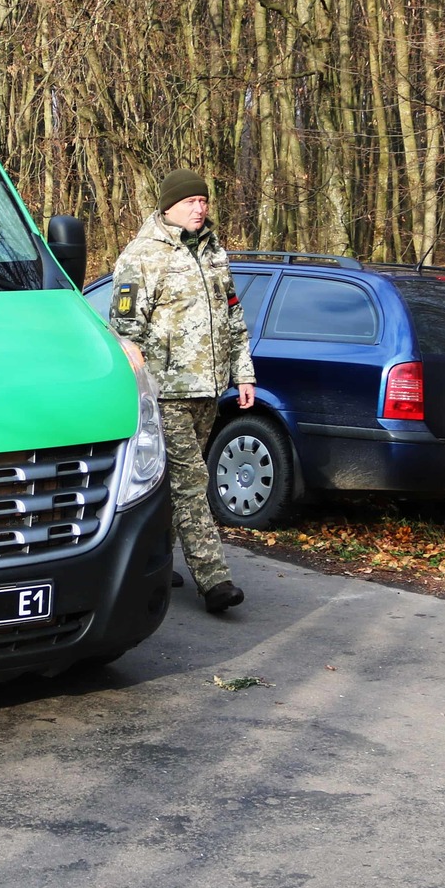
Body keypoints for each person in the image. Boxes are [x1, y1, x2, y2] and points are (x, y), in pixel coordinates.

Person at [105, 170, 256, 614]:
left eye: (204, 201)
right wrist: (140, 384)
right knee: (192, 481)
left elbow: (233, 318)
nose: (199, 208)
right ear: (168, 206)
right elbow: (125, 329)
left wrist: (242, 374)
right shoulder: (141, 256)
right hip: (166, 390)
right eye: (190, 201)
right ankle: (215, 580)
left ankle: (157, 560)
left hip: (206, 389)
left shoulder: (214, 253)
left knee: (175, 482)